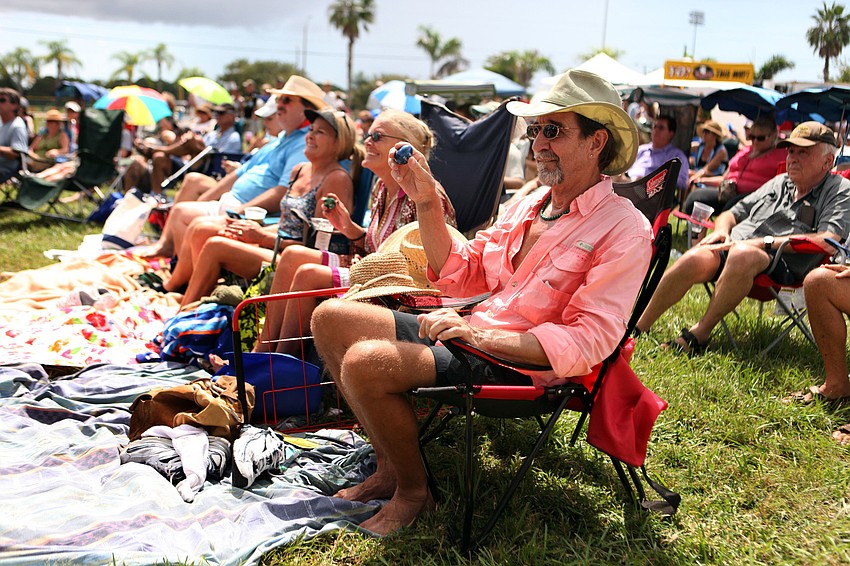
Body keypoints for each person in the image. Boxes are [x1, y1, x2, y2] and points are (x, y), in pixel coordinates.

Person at [309, 69, 651, 534]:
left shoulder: (624, 228)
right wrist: (426, 201)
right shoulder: (531, 206)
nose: (539, 144)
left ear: (596, 142)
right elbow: (462, 269)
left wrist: (480, 336)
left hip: (523, 365)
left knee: (367, 363)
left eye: (554, 130)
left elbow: (592, 339)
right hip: (472, 335)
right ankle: (390, 468)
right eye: (535, 130)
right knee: (330, 317)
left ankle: (415, 493)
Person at [636, 121, 850, 354]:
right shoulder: (780, 182)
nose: (793, 158)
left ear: (828, 161)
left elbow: (829, 240)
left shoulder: (840, 190)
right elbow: (731, 213)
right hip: (735, 246)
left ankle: (699, 334)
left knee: (743, 254)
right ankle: (639, 325)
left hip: (780, 262)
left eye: (804, 152)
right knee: (695, 257)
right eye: (791, 151)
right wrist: (721, 230)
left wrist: (760, 243)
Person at [255, 109, 456, 356]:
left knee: (307, 273)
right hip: (369, 270)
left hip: (396, 288)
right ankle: (260, 353)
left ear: (404, 147)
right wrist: (349, 228)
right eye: (368, 135)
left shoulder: (426, 196)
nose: (367, 142)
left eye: (378, 136)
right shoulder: (382, 187)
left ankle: (278, 363)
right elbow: (377, 248)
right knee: (293, 255)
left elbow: (437, 265)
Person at [162, 108, 359, 307]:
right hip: (277, 245)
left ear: (338, 143)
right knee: (204, 228)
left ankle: (184, 311)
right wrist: (248, 228)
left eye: (320, 132)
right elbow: (285, 223)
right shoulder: (299, 170)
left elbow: (315, 247)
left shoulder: (335, 179)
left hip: (293, 258)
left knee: (215, 246)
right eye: (311, 130)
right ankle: (197, 297)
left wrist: (261, 237)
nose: (310, 136)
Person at [141, 75, 329, 258]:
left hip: (250, 211)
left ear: (307, 109)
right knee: (189, 194)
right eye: (279, 99)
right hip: (236, 202)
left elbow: (283, 192)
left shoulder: (303, 143)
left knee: (183, 213)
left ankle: (176, 271)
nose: (278, 105)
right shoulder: (281, 139)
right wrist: (205, 202)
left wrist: (238, 212)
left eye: (287, 100)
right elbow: (240, 172)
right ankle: (171, 256)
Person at [683, 116, 788, 214]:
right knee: (696, 198)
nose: (755, 141)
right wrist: (700, 180)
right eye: (752, 137)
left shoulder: (780, 156)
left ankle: (722, 230)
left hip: (756, 199)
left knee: (732, 205)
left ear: (773, 136)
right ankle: (697, 233)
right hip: (728, 192)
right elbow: (724, 179)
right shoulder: (744, 151)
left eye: (760, 138)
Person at [621, 115, 689, 192]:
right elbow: (624, 170)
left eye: (661, 128)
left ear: (671, 134)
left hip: (653, 194)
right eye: (654, 126)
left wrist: (655, 180)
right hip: (628, 185)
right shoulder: (641, 150)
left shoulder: (677, 156)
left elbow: (683, 183)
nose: (656, 130)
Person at [26, 108, 71, 173]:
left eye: (52, 121)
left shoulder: (62, 135)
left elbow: (65, 149)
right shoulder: (42, 135)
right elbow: (31, 148)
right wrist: (32, 154)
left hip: (48, 161)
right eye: (48, 121)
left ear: (58, 123)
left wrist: (56, 151)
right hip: (35, 159)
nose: (49, 123)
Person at [0, 87, 28, 184]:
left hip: (6, 168)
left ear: (15, 105)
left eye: (2, 100)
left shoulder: (17, 126)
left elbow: (16, 154)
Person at [688, 120, 729, 186]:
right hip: (699, 175)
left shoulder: (721, 151)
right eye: (703, 131)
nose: (704, 134)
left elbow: (707, 169)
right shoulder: (700, 146)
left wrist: (692, 177)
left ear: (715, 136)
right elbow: (685, 148)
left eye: (707, 132)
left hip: (713, 181)